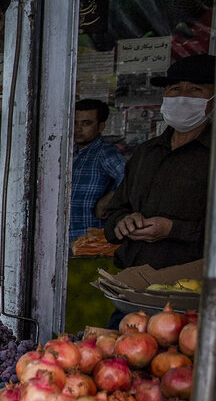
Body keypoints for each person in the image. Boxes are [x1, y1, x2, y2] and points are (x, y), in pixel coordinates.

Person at [102, 54, 214, 270]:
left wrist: (172, 229)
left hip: (190, 289)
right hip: (132, 281)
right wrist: (122, 222)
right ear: (164, 94)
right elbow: (114, 212)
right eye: (175, 89)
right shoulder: (146, 152)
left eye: (196, 90)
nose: (182, 97)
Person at [68, 98, 125, 245]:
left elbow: (130, 177)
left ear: (101, 127)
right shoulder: (68, 154)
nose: (78, 129)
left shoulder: (105, 152)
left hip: (91, 241)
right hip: (65, 239)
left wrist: (107, 200)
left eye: (86, 123)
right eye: (74, 123)